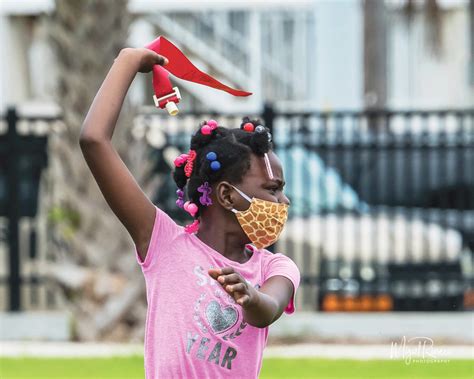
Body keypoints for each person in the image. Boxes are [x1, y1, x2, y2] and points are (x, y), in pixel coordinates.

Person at [79, 47, 300, 379]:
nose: (284, 201)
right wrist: (127, 61)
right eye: (272, 188)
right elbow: (94, 140)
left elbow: (267, 310)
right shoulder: (163, 243)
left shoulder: (274, 266)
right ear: (226, 195)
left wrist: (250, 295)